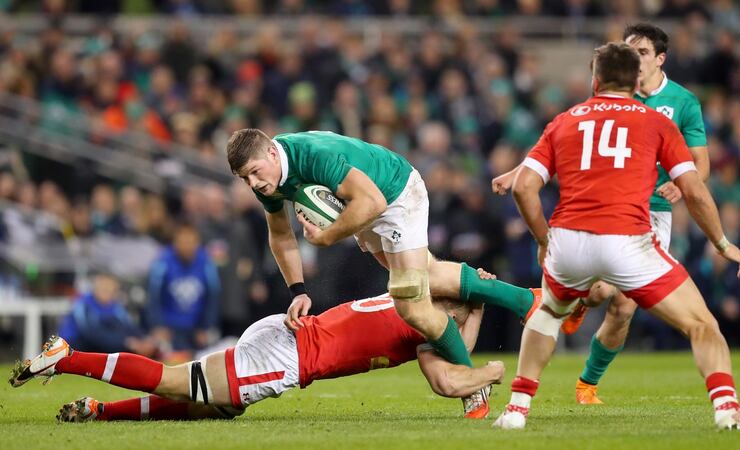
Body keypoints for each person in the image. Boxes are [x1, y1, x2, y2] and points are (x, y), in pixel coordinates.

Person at [492, 42, 740, 431]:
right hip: (626, 240)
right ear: (635, 80)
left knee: (547, 315)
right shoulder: (657, 122)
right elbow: (694, 190)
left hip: (568, 241)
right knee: (702, 324)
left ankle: (516, 410)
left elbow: (523, 187)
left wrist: (544, 241)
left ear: (596, 80)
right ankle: (727, 409)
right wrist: (722, 243)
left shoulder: (564, 120)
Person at [11, 264, 542, 422]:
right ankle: (68, 357)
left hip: (281, 335)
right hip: (288, 356)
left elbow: (451, 355)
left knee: (217, 409)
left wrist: (475, 304)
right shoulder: (424, 322)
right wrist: (495, 375)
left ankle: (101, 413)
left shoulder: (412, 305)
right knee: (179, 381)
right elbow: (451, 374)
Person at [492, 23, 712, 405]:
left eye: (642, 52)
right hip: (603, 207)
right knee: (601, 291)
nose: (635, 59)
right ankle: (579, 299)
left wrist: (681, 186)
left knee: (623, 306)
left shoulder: (683, 103)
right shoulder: (615, 94)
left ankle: (587, 382)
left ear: (660, 59)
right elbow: (568, 138)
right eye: (630, 52)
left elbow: (700, 164)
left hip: (651, 211)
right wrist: (518, 171)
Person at [225, 129, 528, 371]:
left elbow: (374, 203)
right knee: (430, 277)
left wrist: (328, 235)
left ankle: (469, 379)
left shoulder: (314, 156)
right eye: (244, 178)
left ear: (271, 152)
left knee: (410, 301)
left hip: (394, 192)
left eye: (254, 172)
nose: (252, 183)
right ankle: (526, 300)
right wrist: (299, 291)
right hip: (363, 204)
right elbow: (280, 235)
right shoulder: (268, 179)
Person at [147, 222, 220, 351]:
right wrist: (158, 325)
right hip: (169, 330)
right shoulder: (162, 262)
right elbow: (153, 295)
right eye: (182, 242)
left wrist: (206, 327)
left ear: (197, 242)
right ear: (175, 242)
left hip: (196, 329)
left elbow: (213, 295)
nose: (187, 246)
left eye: (191, 242)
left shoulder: (206, 262)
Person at [58, 272, 156, 357]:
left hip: (100, 347)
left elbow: (129, 327)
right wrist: (127, 343)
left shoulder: (115, 306)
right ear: (96, 288)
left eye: (112, 290)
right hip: (73, 348)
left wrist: (144, 340)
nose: (108, 293)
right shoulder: (83, 304)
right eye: (105, 289)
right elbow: (93, 334)